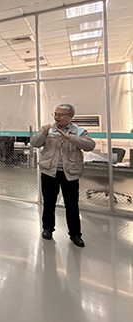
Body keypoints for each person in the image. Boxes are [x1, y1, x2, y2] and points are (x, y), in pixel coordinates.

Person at [32, 103, 95, 248]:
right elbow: (35, 143)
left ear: (70, 116)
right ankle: (47, 229)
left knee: (71, 205)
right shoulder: (47, 128)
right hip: (49, 171)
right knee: (49, 202)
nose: (57, 117)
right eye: (55, 114)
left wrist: (70, 138)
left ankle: (75, 234)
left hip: (70, 173)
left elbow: (90, 145)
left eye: (60, 114)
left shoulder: (79, 131)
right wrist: (43, 133)